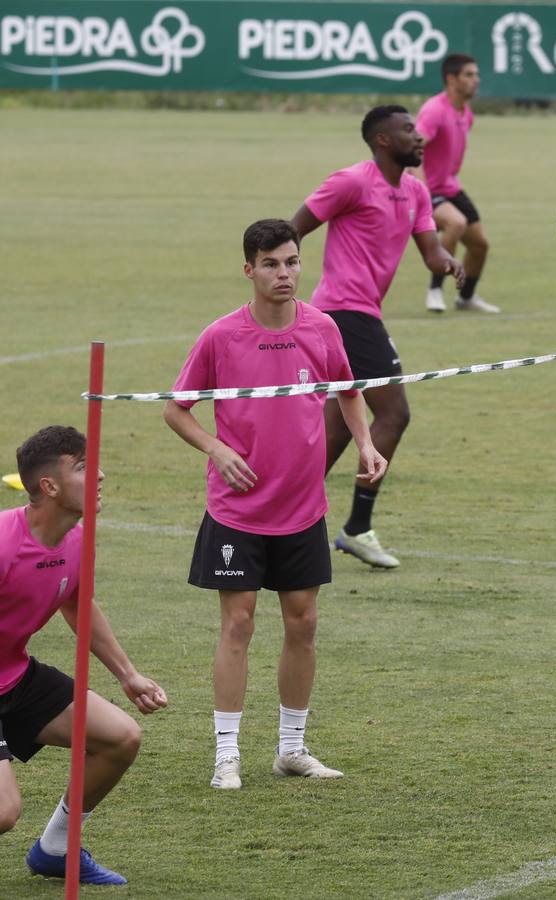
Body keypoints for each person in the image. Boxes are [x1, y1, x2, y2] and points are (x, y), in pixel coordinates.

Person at [164, 219, 388, 791]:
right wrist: (217, 449)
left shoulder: (322, 328)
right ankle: (227, 754)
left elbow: (350, 392)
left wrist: (365, 443)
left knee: (303, 623)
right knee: (238, 624)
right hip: (238, 513)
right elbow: (176, 408)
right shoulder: (221, 336)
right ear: (249, 270)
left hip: (303, 509)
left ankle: (291, 749)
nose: (284, 273)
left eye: (291, 262)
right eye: (271, 264)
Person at [290, 105, 463, 570]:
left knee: (340, 424)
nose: (419, 137)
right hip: (344, 312)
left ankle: (285, 511)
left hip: (358, 314)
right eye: (408, 130)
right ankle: (355, 526)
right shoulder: (350, 181)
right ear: (383, 140)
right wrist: (281, 285)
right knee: (393, 413)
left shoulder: (416, 192)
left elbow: (430, 253)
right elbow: (293, 229)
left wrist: (448, 261)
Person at [2, 425, 168, 885]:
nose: (98, 475)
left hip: (14, 677)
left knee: (120, 738)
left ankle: (56, 849)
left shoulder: (76, 539)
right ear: (48, 486)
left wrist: (127, 675)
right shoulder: (2, 544)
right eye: (81, 467)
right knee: (4, 811)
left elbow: (77, 602)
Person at [416, 53, 497, 314]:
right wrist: (422, 192)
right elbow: (413, 152)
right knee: (455, 223)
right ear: (452, 79)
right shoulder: (434, 110)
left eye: (476, 75)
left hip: (451, 186)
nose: (476, 80)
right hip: (429, 188)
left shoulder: (466, 113)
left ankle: (466, 297)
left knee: (480, 245)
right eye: (469, 75)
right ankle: (435, 290)